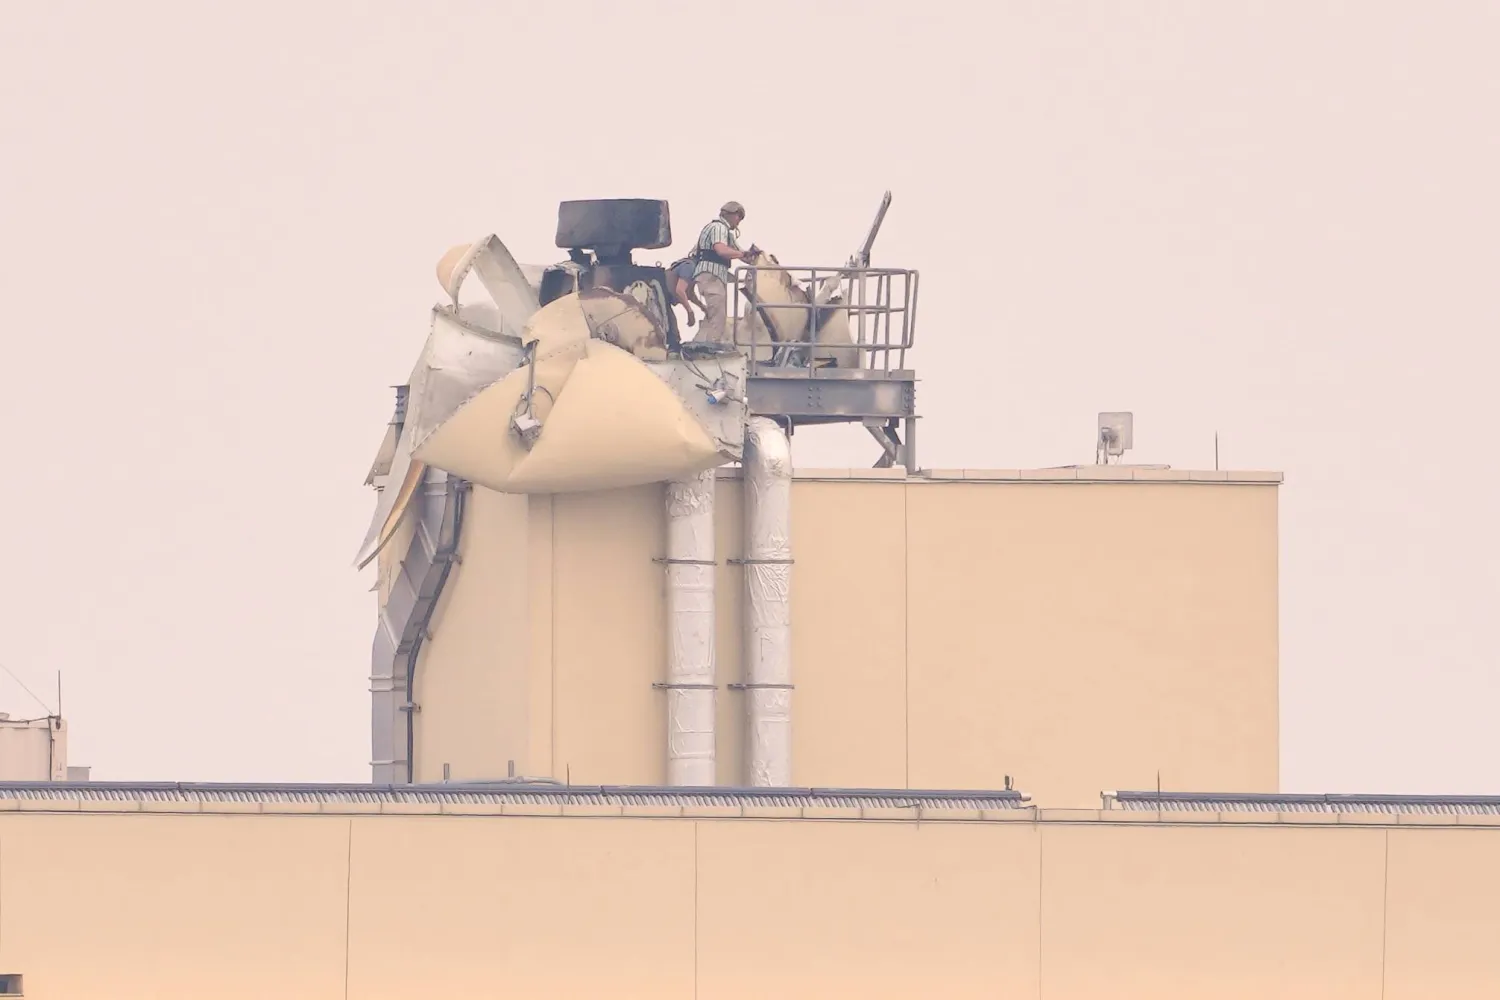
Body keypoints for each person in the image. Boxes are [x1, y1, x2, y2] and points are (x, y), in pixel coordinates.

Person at [690, 201, 756, 343]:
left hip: (715, 276)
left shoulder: (726, 232)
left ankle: (703, 344)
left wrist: (755, 257)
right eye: (739, 217)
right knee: (718, 316)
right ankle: (711, 348)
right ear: (731, 214)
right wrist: (743, 254)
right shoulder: (718, 227)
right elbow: (721, 250)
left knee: (715, 314)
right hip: (711, 275)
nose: (739, 222)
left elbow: (738, 252)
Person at [666, 255, 705, 327]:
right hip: (659, 297)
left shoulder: (690, 266)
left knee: (672, 330)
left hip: (664, 299)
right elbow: (680, 291)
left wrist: (702, 307)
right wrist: (690, 312)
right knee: (671, 331)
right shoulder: (690, 267)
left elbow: (690, 294)